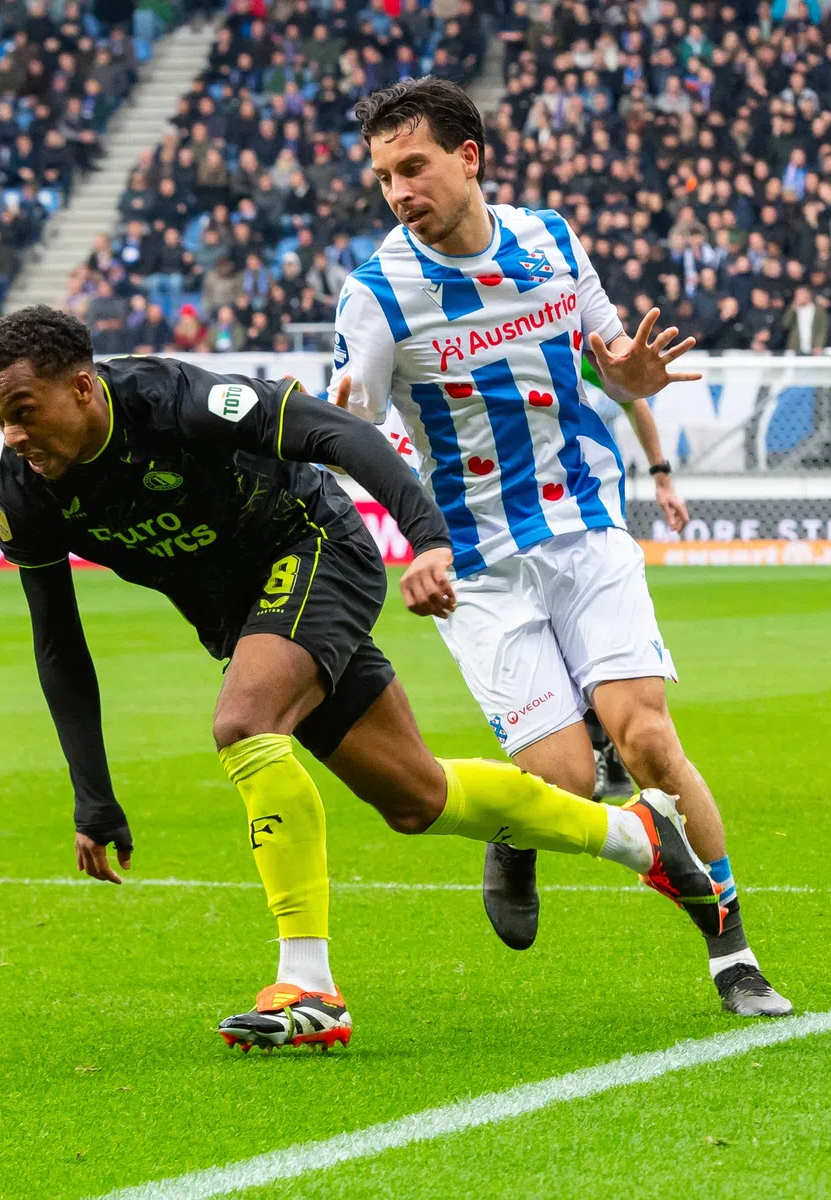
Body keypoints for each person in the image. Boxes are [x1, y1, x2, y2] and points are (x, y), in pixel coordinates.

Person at [0, 306, 724, 1051]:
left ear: (81, 389)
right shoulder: (28, 490)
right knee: (417, 797)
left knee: (244, 723)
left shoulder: (176, 402)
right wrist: (92, 793)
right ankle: (636, 834)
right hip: (248, 616)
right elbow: (58, 642)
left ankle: (309, 987)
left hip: (316, 547)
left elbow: (344, 435)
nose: (14, 436)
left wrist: (428, 538)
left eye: (23, 412)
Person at [329, 77, 790, 1017]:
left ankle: (732, 952)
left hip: (583, 524)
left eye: (413, 166)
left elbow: (612, 351)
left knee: (649, 739)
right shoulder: (378, 294)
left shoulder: (551, 238)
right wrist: (408, 542)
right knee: (567, 780)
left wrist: (626, 372)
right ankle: (517, 829)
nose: (399, 191)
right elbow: (352, 440)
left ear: (470, 156)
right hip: (475, 562)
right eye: (383, 177)